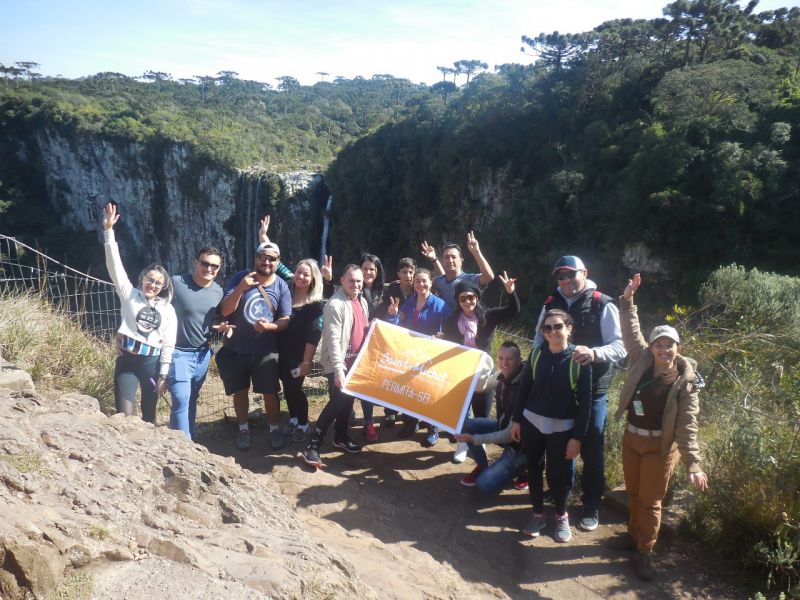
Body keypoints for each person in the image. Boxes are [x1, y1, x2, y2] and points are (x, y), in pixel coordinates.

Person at [610, 273, 709, 581]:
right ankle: (632, 535)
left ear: (678, 348)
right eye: (659, 345)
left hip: (661, 447)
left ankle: (645, 551)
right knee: (634, 493)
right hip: (632, 439)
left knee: (651, 501)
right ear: (652, 347)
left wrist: (693, 463)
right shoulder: (641, 358)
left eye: (670, 346)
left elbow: (687, 423)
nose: (664, 351)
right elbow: (630, 330)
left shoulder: (685, 381)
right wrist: (627, 300)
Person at [532, 255, 626, 531]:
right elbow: (539, 339)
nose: (565, 281)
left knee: (592, 441)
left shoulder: (602, 303)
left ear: (584, 273)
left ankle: (591, 504)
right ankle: (561, 492)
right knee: (560, 444)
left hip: (594, 387)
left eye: (571, 274)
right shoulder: (551, 302)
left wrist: (593, 353)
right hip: (559, 389)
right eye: (560, 276)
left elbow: (619, 347)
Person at [511, 309, 592, 543]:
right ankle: (537, 514)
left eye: (558, 326)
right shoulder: (536, 354)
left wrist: (578, 437)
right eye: (547, 328)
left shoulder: (580, 360)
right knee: (534, 470)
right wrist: (516, 419)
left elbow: (586, 403)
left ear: (569, 328)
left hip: (563, 428)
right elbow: (524, 389)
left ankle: (561, 515)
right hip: (532, 423)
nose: (553, 331)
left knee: (560, 475)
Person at [102, 203, 177, 423]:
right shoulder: (129, 295)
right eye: (149, 279)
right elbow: (114, 266)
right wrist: (108, 231)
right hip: (126, 361)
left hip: (151, 364)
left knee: (150, 416)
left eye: (158, 283)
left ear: (163, 287)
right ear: (143, 279)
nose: (152, 285)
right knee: (125, 417)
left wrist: (163, 374)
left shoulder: (168, 309)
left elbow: (169, 344)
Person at [217, 241, 292, 451]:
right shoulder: (240, 277)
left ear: (278, 262)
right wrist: (241, 287)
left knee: (270, 393)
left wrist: (269, 326)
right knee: (240, 392)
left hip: (265, 352)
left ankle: (274, 428)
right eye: (262, 257)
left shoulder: (281, 286)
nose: (266, 262)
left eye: (271, 258)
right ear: (256, 258)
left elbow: (286, 319)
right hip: (235, 349)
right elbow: (225, 310)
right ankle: (243, 429)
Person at [301, 264, 369, 468]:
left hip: (355, 362)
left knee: (347, 403)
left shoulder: (362, 301)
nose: (356, 284)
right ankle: (312, 445)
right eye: (351, 281)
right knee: (337, 402)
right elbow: (332, 340)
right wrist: (339, 371)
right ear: (342, 281)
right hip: (338, 364)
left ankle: (340, 436)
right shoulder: (334, 305)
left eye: (359, 281)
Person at [386, 268, 451, 445]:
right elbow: (399, 324)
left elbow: (449, 330)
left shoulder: (441, 305)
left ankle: (433, 429)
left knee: (430, 392)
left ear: (431, 283)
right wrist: (392, 315)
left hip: (432, 357)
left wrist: (442, 334)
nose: (421, 284)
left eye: (424, 281)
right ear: (413, 284)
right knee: (413, 391)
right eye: (417, 281)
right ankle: (411, 423)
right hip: (411, 355)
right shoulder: (408, 303)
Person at [454, 341, 527, 493]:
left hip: (519, 445)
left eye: (509, 359)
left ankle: (526, 469)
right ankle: (483, 466)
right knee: (465, 425)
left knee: (484, 485)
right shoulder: (502, 375)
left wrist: (474, 439)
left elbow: (508, 436)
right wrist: (480, 372)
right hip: (503, 427)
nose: (503, 363)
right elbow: (483, 388)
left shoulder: (524, 386)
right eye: (500, 358)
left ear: (519, 360)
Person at [167, 247, 224, 440]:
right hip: (178, 353)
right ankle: (185, 446)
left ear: (219, 268)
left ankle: (187, 434)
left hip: (202, 355)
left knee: (191, 398)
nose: (209, 268)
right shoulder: (175, 282)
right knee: (181, 398)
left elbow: (217, 324)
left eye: (214, 266)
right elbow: (151, 304)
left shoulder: (218, 291)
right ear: (195, 262)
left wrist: (212, 351)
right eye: (205, 263)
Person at [277, 258, 325, 443]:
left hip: (298, 356)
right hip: (280, 352)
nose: (301, 276)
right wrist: (264, 237)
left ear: (313, 279)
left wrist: (306, 362)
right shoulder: (287, 289)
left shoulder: (315, 305)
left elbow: (313, 336)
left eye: (306, 274)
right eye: (299, 272)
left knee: (295, 388)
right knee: (287, 388)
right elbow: (278, 264)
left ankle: (304, 423)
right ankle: (293, 418)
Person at [420, 232, 494, 312]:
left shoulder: (469, 280)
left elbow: (488, 277)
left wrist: (476, 251)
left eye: (454, 257)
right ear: (443, 261)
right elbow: (442, 276)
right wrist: (434, 259)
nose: (450, 260)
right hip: (441, 323)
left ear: (461, 261)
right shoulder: (438, 281)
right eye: (447, 257)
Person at [358, 252, 386, 442]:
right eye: (365, 268)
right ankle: (366, 421)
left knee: (375, 382)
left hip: (379, 345)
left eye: (372, 269)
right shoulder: (354, 287)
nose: (368, 272)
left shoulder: (385, 291)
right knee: (360, 382)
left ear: (377, 272)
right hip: (357, 342)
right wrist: (327, 281)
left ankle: (378, 416)